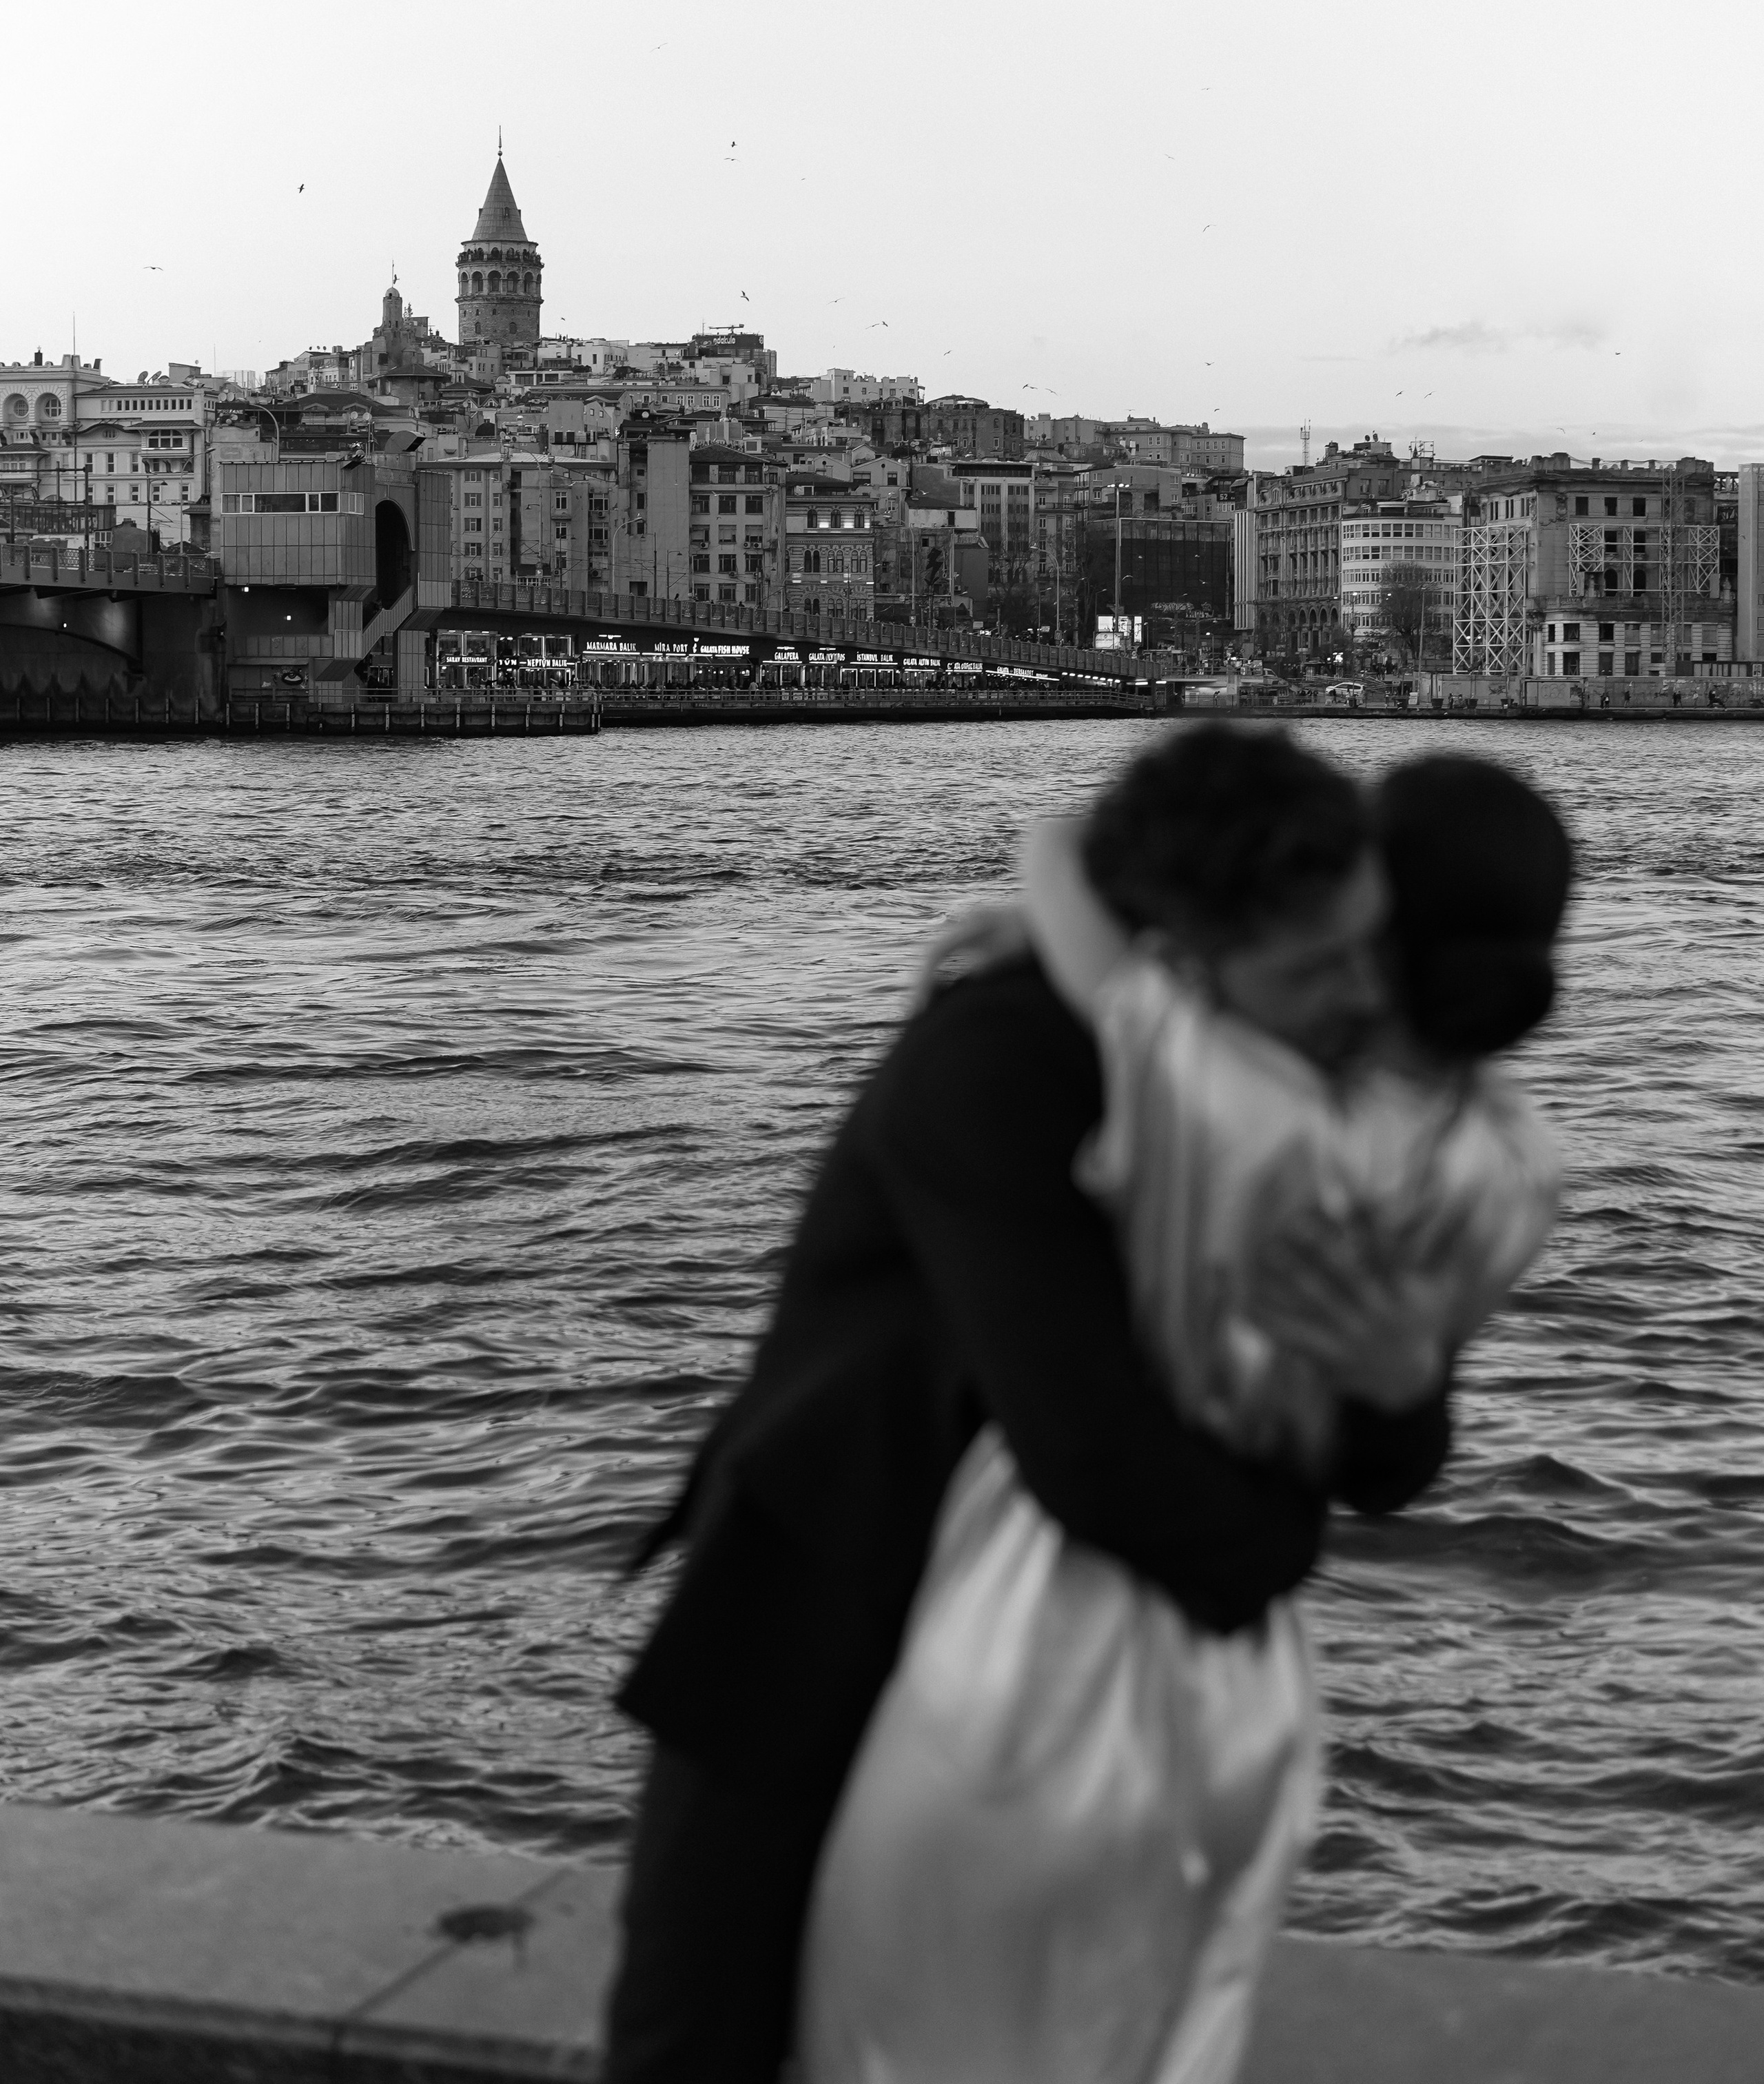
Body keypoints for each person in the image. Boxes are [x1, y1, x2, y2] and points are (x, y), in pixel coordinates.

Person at [601, 726, 1454, 2084]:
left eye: (1370, 949)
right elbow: (1096, 1451)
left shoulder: (1273, 1080)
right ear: (1176, 966)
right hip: (836, 1609)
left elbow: (1382, 1450)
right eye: (1318, 967)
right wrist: (1292, 1538)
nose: (1364, 997)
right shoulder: (999, 1061)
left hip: (1052, 1664)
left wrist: (1401, 1381)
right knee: (703, 2039)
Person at [795, 751, 1572, 2084]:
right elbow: (1393, 1441)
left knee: (915, 2032)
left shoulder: (1230, 1095)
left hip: (1044, 1624)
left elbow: (1080, 896)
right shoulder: (1513, 1170)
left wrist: (1068, 903)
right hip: (1253, 1689)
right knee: (1169, 2036)